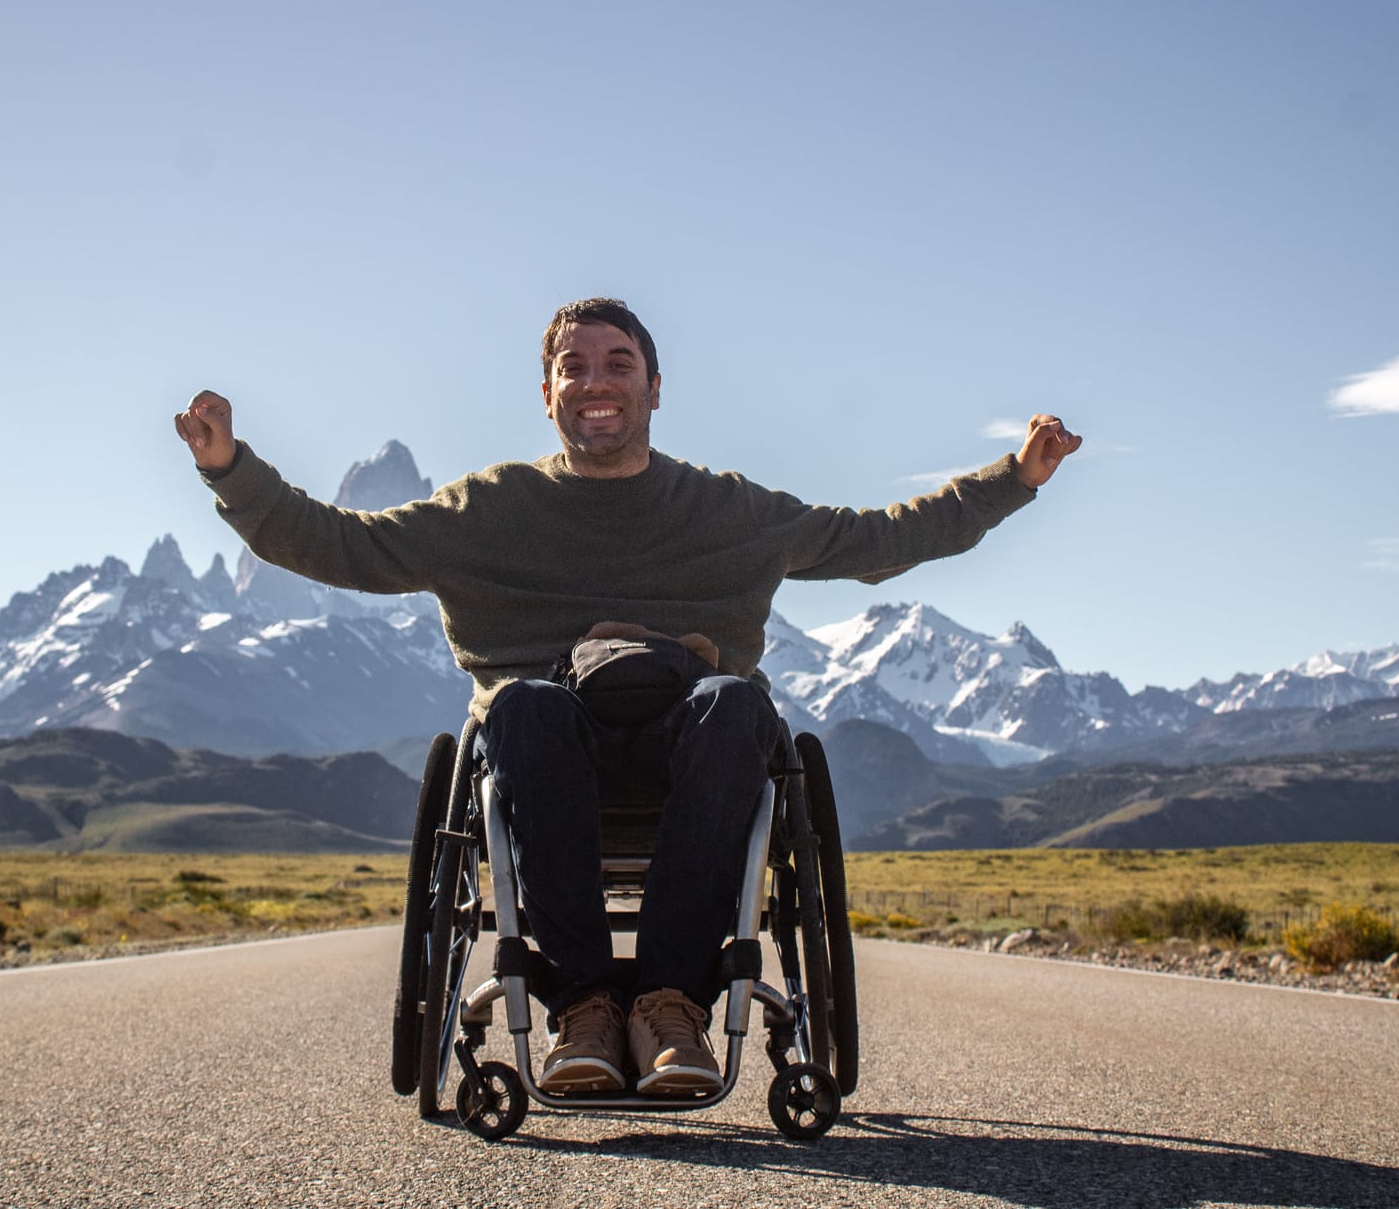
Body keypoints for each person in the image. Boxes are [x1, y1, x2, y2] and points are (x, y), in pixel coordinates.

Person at [175, 297, 1079, 1097]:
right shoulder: (488, 509)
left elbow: (880, 537)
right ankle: (583, 1011)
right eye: (573, 366)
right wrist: (230, 468)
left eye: (618, 364)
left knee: (739, 705)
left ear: (655, 386)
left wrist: (1015, 479)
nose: (595, 382)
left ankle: (667, 1004)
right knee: (522, 706)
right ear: (547, 393)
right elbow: (339, 543)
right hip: (545, 744)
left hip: (692, 744)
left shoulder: (728, 510)